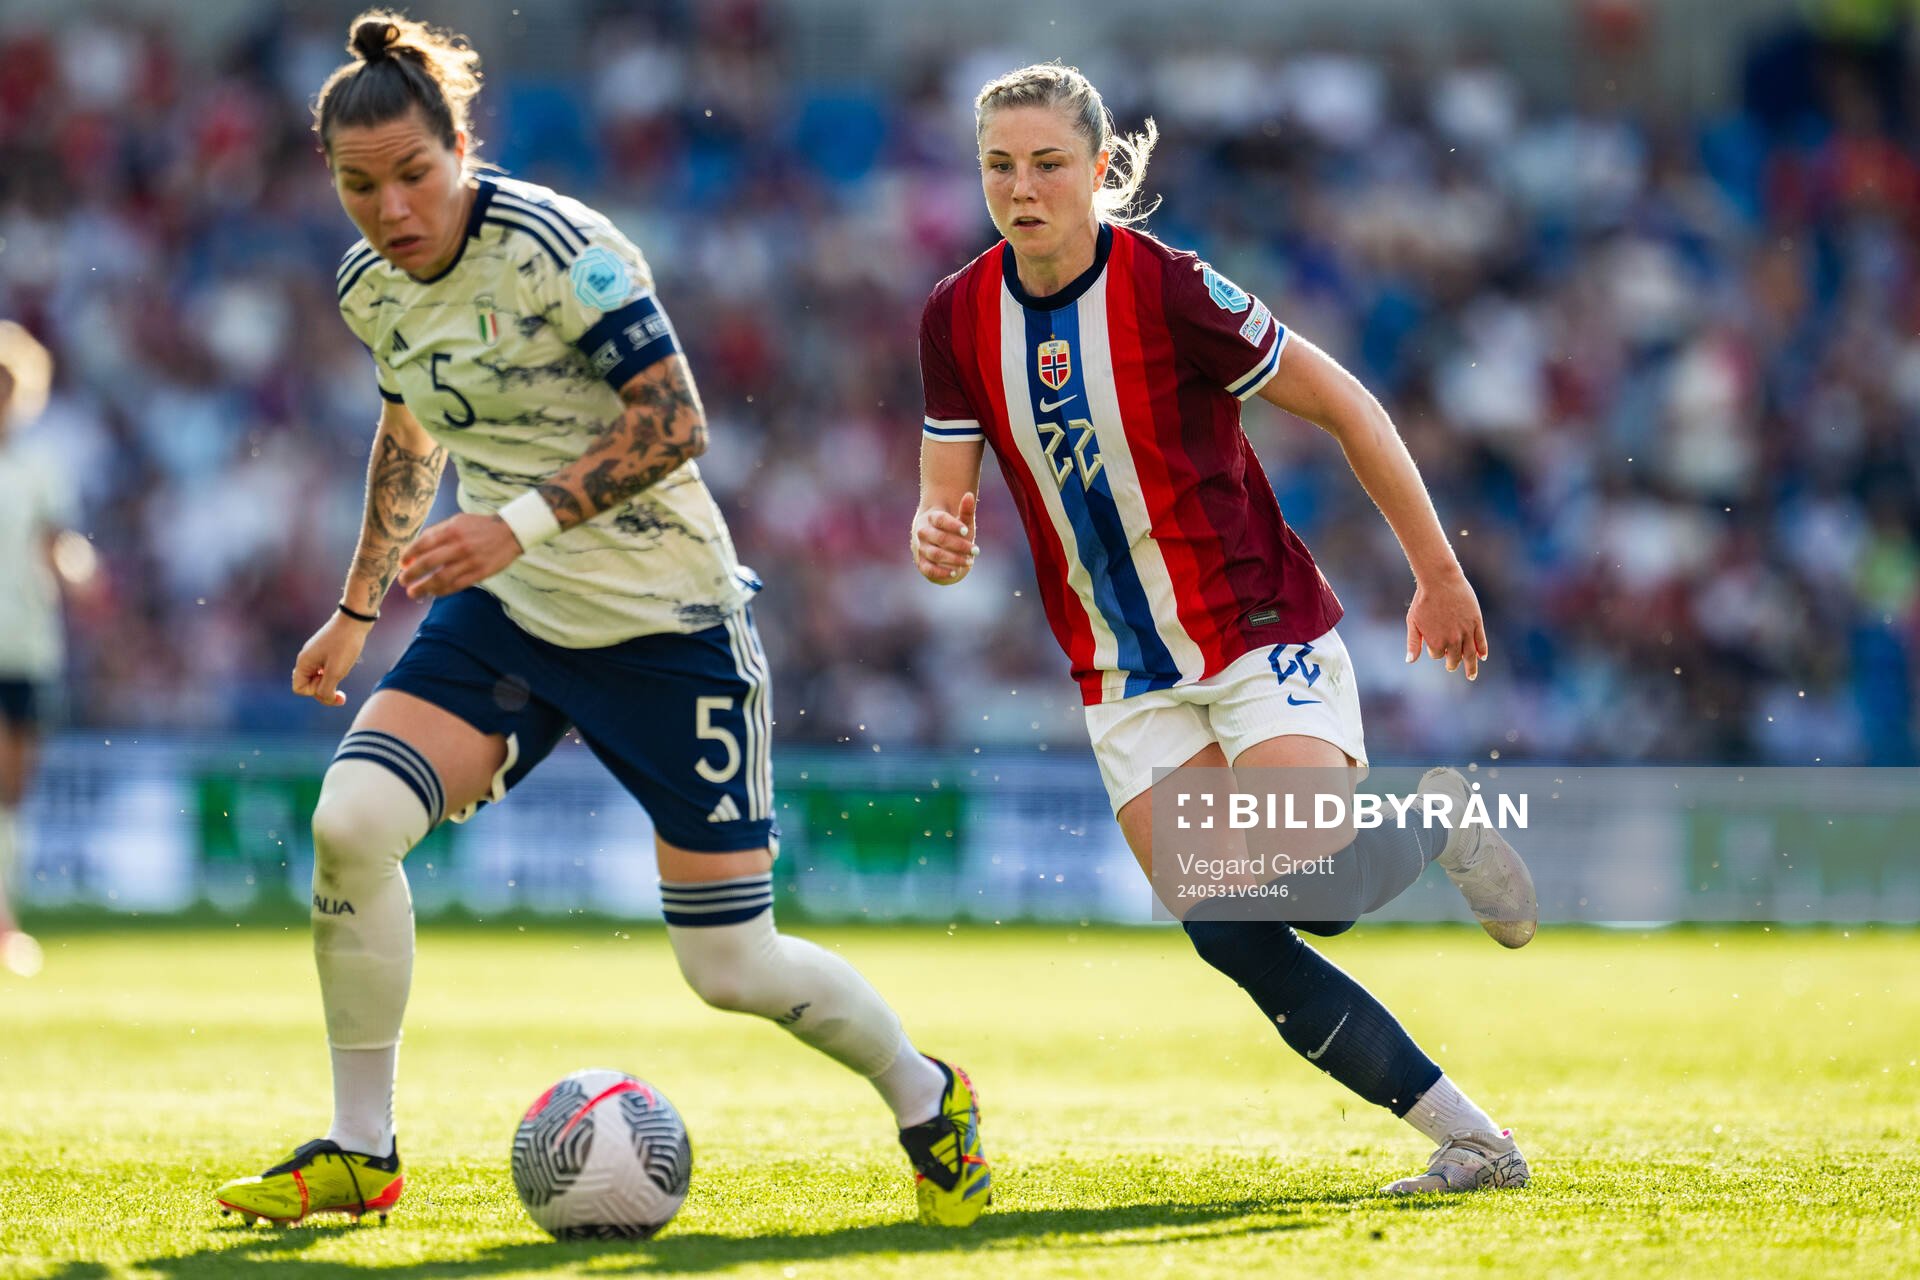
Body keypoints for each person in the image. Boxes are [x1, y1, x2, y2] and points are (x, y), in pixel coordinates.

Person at [214, 12, 987, 1229]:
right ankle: (362, 1149)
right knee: (351, 822)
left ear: (462, 145)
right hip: (511, 618)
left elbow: (678, 419)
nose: (393, 208)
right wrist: (358, 604)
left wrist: (509, 525)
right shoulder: (372, 287)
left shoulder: (562, 246)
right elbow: (412, 429)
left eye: (416, 173)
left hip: (668, 626)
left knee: (730, 966)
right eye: (362, 186)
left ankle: (927, 1090)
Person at [911, 63, 1535, 1195]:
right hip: (1123, 675)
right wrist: (933, 533)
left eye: (1050, 162)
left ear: (1101, 170)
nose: (1023, 185)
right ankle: (1477, 1142)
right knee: (1234, 932)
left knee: (1313, 888)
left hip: (1255, 633)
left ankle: (1442, 817)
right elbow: (942, 485)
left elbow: (1348, 402)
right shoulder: (955, 316)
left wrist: (1439, 574)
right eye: (1001, 164)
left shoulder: (1172, 288)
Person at [0, 320, 85, 980]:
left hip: (29, 646)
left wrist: (82, 574)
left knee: (12, 792)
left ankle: (7, 916)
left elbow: (58, 545)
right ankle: (5, 925)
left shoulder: (39, 467)